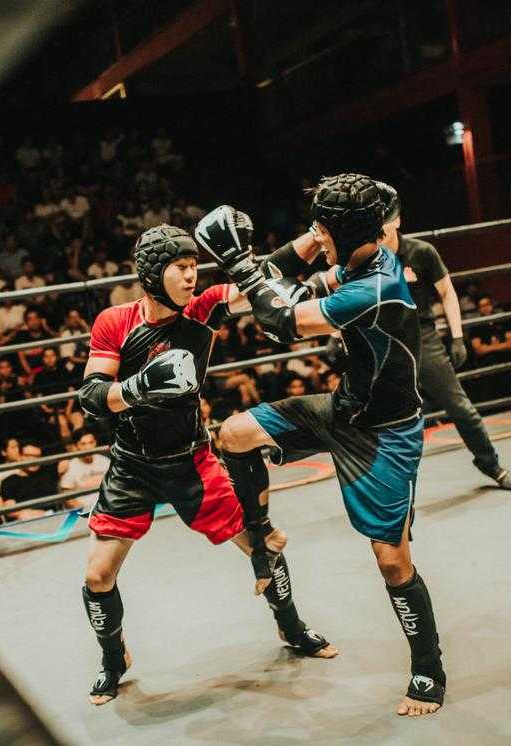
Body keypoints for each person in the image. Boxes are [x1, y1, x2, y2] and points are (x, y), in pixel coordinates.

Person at [196, 174, 446, 716]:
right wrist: (299, 247)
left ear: (344, 230)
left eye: (322, 228)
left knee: (392, 562)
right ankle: (262, 537)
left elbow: (282, 321)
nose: (315, 235)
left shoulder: (377, 286)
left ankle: (428, 670)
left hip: (387, 436)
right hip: (342, 409)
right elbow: (271, 291)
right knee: (235, 434)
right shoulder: (355, 263)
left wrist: (240, 261)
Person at [76, 225, 336, 706]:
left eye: (195, 264)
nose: (193, 274)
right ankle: (113, 658)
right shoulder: (115, 321)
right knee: (97, 576)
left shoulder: (202, 308)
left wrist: (316, 235)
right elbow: (91, 396)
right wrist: (136, 388)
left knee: (261, 546)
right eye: (181, 266)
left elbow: (266, 275)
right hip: (131, 466)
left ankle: (292, 626)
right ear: (154, 273)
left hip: (191, 461)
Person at [377, 183, 511, 489]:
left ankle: (490, 464)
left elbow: (447, 293)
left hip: (422, 338)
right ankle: (384, 486)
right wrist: (339, 336)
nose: (380, 228)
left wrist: (457, 336)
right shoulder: (365, 260)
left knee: (459, 407)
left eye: (385, 220)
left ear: (397, 220)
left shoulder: (421, 252)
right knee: (379, 417)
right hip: (383, 343)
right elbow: (343, 297)